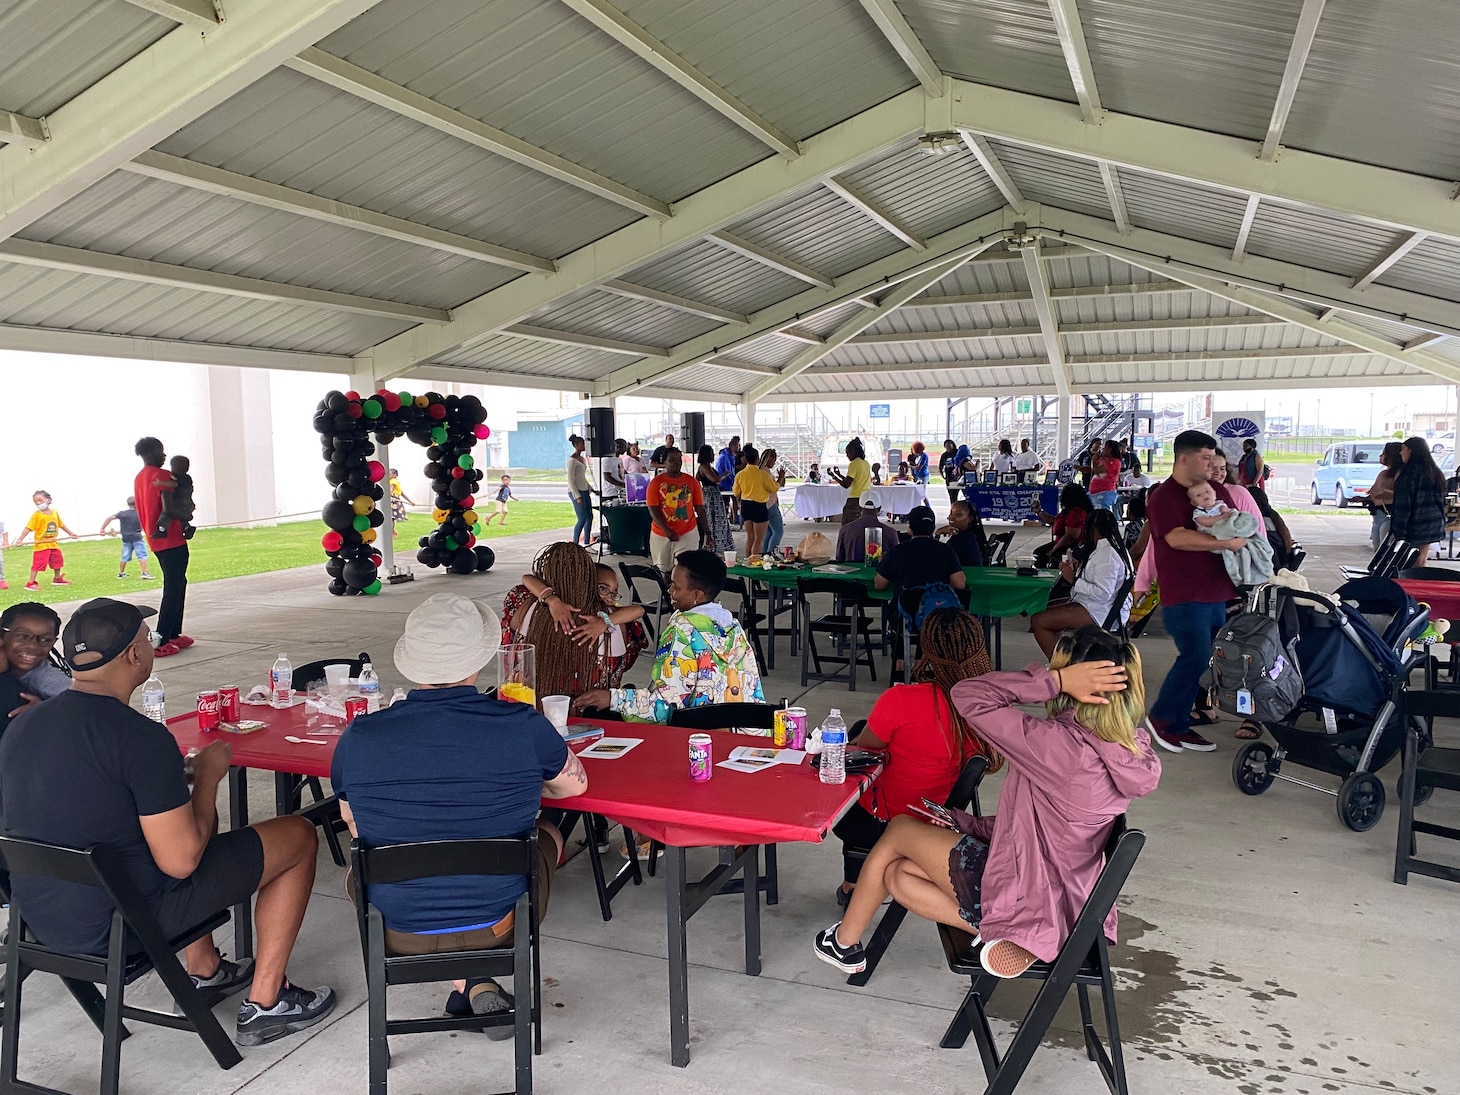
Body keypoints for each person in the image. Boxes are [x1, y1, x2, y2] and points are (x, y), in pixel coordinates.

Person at [0, 598, 334, 1045]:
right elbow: (181, 862)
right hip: (122, 921)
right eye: (147, 639)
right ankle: (269, 1003)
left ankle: (205, 970)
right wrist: (209, 779)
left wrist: (180, 786)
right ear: (134, 656)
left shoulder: (24, 724)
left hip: (44, 919)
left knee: (162, 837)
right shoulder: (140, 737)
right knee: (295, 833)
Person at [813, 628, 1159, 978]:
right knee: (898, 875)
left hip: (1029, 890)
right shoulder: (1128, 747)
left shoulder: (1057, 745)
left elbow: (970, 695)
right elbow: (1044, 824)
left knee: (900, 827)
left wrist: (1054, 680)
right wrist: (964, 822)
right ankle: (1005, 937)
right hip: (1065, 896)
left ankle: (843, 943)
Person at [332, 593, 586, 1029]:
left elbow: (356, 825)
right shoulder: (521, 725)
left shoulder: (360, 735)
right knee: (547, 832)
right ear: (479, 660)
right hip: (500, 921)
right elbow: (574, 786)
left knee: (366, 863)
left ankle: (470, 984)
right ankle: (476, 979)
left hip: (394, 927)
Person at [832, 609, 996, 907]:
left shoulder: (902, 699)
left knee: (842, 793)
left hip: (879, 819)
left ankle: (854, 883)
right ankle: (863, 881)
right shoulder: (986, 708)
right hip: (932, 819)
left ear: (927, 650)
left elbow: (866, 746)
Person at [571, 550, 764, 723]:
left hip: (697, 737)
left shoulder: (682, 629)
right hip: (743, 732)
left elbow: (667, 706)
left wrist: (613, 699)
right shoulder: (733, 627)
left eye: (675, 587)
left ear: (697, 594)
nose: (669, 591)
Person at [1145, 430, 1244, 753]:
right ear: (1183, 458)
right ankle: (1162, 718)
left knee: (1206, 661)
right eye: (1205, 457)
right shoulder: (1163, 496)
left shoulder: (1215, 490)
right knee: (1194, 656)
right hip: (1184, 592)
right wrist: (1223, 541)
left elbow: (1235, 522)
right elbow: (1175, 538)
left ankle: (1180, 721)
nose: (1212, 464)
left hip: (1217, 591)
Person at [502, 544, 648, 696]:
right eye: (603, 589)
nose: (610, 597)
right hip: (591, 713)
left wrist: (551, 600)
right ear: (590, 580)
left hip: (526, 706)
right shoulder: (613, 622)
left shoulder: (524, 604)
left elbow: (526, 579)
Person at [1030, 510, 1133, 657]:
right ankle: (1067, 658)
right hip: (1096, 605)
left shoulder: (1107, 554)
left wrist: (1073, 579)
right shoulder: (1109, 548)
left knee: (1039, 621)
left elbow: (1103, 593)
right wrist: (1078, 570)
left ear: (1093, 528)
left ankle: (1062, 667)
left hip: (1101, 611)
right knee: (1044, 608)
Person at [134, 437, 192, 656]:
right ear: (153, 452)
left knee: (179, 582)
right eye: (161, 451)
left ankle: (174, 633)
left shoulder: (140, 478)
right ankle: (163, 637)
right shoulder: (162, 476)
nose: (164, 455)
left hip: (156, 539)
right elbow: (168, 509)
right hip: (172, 539)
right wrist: (186, 515)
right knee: (173, 587)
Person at [646, 446, 709, 573]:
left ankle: (681, 592)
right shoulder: (655, 483)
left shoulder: (692, 482)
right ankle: (667, 592)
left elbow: (700, 509)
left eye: (679, 459)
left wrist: (708, 532)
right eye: (672, 460)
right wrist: (667, 530)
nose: (677, 462)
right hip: (661, 534)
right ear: (664, 463)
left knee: (685, 569)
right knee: (664, 570)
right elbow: (653, 510)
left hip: (688, 532)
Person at [1391, 435, 1448, 566]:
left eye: (1403, 449)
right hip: (1432, 522)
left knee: (1410, 562)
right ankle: (1421, 580)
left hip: (1415, 524)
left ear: (1411, 451)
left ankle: (1413, 583)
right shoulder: (1434, 472)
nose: (1400, 453)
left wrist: (1399, 532)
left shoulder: (1409, 474)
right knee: (1421, 558)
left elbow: (1403, 505)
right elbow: (1441, 500)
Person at [0, 602, 70, 705]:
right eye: (22, 636)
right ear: (2, 635)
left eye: (45, 640)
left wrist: (40, 711)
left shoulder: (51, 681)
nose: (33, 646)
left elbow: (84, 708)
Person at [16, 491, 76, 591]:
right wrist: (20, 539)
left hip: (53, 543)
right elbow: (28, 527)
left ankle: (57, 579)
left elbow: (61, 524)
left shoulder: (55, 512)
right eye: (36, 502)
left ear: (48, 500)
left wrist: (70, 533)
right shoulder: (37, 515)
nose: (38, 503)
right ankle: (31, 583)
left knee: (57, 561)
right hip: (41, 545)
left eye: (40, 500)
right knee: (38, 563)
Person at [1031, 483, 1093, 569]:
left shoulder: (1077, 512)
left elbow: (1070, 536)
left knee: (1044, 555)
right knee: (1038, 552)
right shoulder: (1069, 510)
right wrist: (1039, 511)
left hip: (1071, 545)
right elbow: (1054, 521)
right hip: (1061, 542)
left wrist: (1053, 550)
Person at [733, 444, 779, 558]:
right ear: (757, 458)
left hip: (745, 505)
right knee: (759, 539)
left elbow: (735, 492)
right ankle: (754, 562)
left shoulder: (740, 474)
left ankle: (747, 559)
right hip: (758, 506)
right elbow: (773, 488)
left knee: (750, 537)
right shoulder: (762, 474)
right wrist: (779, 481)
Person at [101, 496, 155, 580]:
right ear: (136, 504)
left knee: (124, 556)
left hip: (126, 538)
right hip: (137, 538)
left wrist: (102, 528)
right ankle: (144, 572)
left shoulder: (123, 514)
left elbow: (110, 518)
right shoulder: (139, 513)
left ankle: (121, 573)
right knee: (142, 555)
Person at [837, 496, 901, 563]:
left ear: (859, 508)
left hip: (852, 572)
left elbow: (839, 559)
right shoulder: (891, 532)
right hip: (879, 573)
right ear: (879, 509)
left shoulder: (844, 530)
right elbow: (895, 560)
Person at [696, 444, 735, 555]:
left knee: (716, 519)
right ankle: (715, 545)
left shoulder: (705, 467)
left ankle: (718, 544)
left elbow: (697, 478)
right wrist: (725, 475)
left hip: (711, 495)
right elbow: (715, 479)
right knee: (714, 519)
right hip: (711, 495)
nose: (713, 455)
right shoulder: (705, 467)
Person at [1367, 441, 1404, 551]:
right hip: (1378, 512)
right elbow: (1373, 491)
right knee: (1376, 541)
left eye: (1384, 454)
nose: (1381, 456)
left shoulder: (1400, 474)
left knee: (1386, 542)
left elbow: (1402, 493)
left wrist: (1386, 491)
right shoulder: (1383, 473)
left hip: (1390, 512)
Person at [936, 500, 986, 567]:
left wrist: (937, 534)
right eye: (951, 513)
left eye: (958, 515)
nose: (950, 517)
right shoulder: (967, 535)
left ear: (970, 519)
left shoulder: (963, 540)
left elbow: (937, 560)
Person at [566, 434, 595, 548]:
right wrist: (577, 496)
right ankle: (575, 544)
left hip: (584, 490)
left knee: (589, 516)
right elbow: (570, 479)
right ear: (576, 445)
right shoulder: (572, 460)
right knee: (582, 518)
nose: (584, 446)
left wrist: (591, 489)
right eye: (582, 444)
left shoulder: (582, 459)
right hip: (576, 491)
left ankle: (587, 542)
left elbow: (581, 478)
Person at [829, 438, 872, 506]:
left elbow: (846, 484)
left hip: (855, 498)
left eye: (848, 453)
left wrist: (834, 477)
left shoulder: (853, 464)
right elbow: (853, 480)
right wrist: (839, 475)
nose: (847, 455)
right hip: (866, 497)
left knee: (849, 516)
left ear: (853, 452)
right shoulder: (866, 463)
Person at [163, 454, 198, 540]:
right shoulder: (187, 478)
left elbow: (175, 484)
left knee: (168, 514)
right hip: (187, 501)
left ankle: (161, 529)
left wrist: (161, 482)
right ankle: (187, 528)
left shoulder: (179, 478)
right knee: (182, 520)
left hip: (181, 502)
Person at [761, 449, 788, 555]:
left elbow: (779, 485)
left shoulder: (762, 471)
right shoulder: (765, 472)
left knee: (769, 532)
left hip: (764, 504)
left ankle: (765, 553)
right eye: (773, 460)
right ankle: (771, 553)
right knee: (778, 531)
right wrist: (780, 477)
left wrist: (782, 477)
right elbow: (774, 488)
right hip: (770, 504)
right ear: (769, 459)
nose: (774, 462)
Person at [1087, 440, 1122, 510]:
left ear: (1110, 449)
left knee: (1103, 514)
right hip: (1094, 492)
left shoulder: (1114, 462)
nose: (1102, 449)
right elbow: (1094, 471)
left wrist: (1093, 459)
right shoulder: (1102, 460)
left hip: (1105, 492)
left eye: (1105, 447)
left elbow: (1096, 469)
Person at [715, 436, 742, 525]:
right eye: (738, 445)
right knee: (735, 499)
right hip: (725, 484)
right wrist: (736, 482)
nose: (739, 447)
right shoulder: (726, 456)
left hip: (727, 483)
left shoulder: (728, 455)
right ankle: (734, 519)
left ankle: (733, 518)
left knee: (733, 500)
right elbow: (729, 472)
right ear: (733, 446)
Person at [388, 469, 416, 533]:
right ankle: (392, 531)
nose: (388, 476)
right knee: (392, 517)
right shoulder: (396, 482)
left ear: (394, 475)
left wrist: (388, 496)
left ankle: (391, 532)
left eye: (390, 474)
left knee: (391, 517)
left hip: (393, 500)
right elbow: (402, 493)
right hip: (395, 499)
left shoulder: (393, 481)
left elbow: (390, 490)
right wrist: (410, 501)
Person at [939, 440, 961, 505]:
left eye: (949, 445)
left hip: (957, 476)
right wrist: (942, 475)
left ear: (952, 445)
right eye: (946, 445)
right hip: (948, 476)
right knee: (951, 494)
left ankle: (955, 505)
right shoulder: (944, 455)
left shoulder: (957, 452)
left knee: (955, 493)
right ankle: (953, 506)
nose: (948, 447)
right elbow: (941, 466)